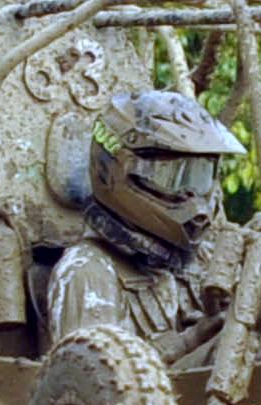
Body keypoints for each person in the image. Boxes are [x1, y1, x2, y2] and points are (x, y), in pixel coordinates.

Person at [47, 90, 245, 356]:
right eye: (170, 178)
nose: (192, 198)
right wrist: (189, 341)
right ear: (119, 170)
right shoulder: (88, 272)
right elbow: (93, 373)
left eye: (199, 177)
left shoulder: (204, 258)